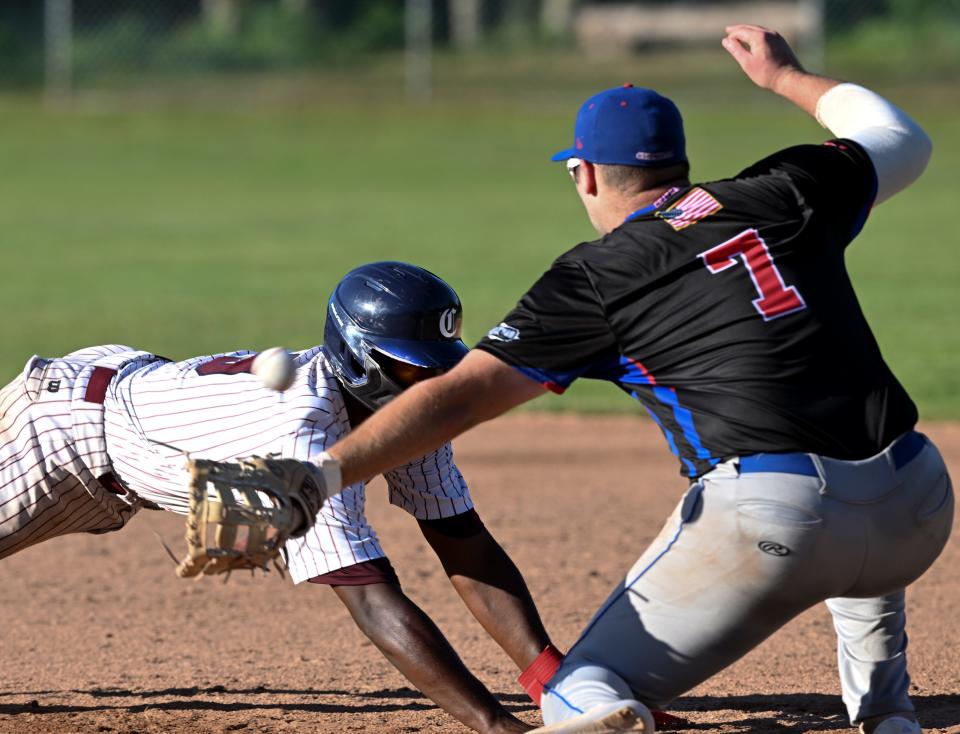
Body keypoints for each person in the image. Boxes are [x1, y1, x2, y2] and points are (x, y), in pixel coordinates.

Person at [307, 25, 955, 734]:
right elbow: (900, 136)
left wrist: (319, 476)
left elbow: (461, 394)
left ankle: (607, 714)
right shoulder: (787, 189)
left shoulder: (593, 277)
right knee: (864, 551)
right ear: (679, 163)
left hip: (783, 521)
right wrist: (784, 77)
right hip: (918, 501)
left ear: (582, 174)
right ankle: (889, 715)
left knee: (580, 689)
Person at [0, 261, 564, 734]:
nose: (431, 383)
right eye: (412, 366)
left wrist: (553, 681)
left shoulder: (410, 411)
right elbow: (370, 599)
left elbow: (462, 542)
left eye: (441, 367)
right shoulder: (302, 431)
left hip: (144, 427)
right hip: (60, 435)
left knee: (261, 517)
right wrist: (496, 726)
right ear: (359, 354)